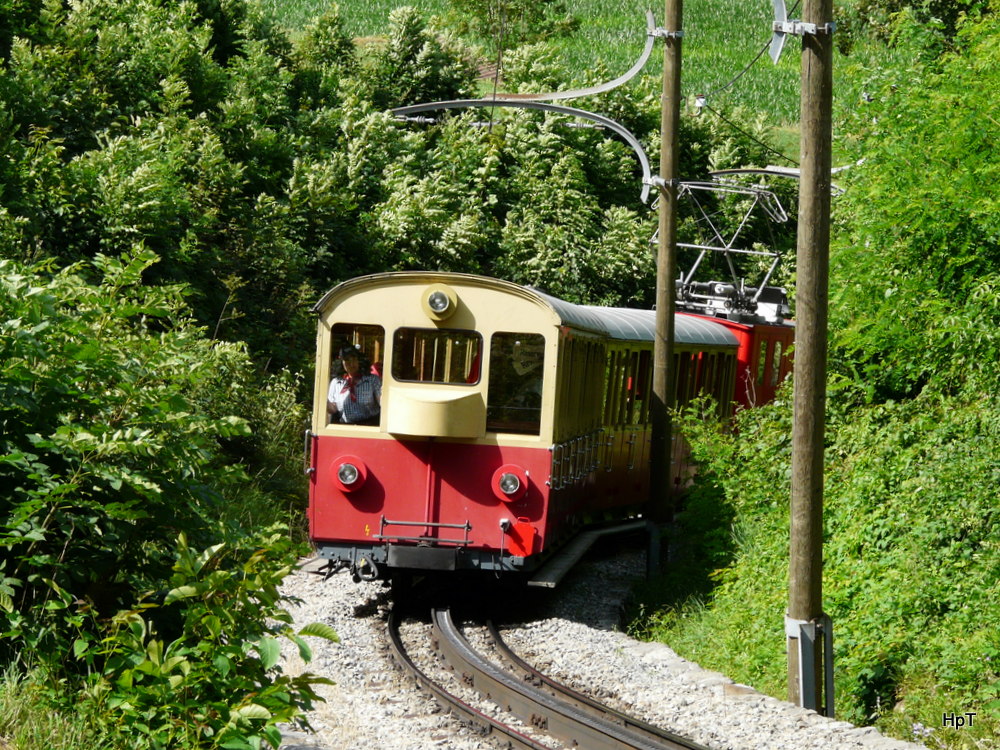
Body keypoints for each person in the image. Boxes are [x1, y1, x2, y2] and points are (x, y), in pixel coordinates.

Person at [328, 345, 381, 425]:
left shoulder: (372, 380)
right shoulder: (336, 383)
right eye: (347, 360)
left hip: (370, 428)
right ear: (341, 363)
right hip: (344, 429)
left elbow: (382, 401)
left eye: (354, 359)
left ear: (360, 360)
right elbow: (333, 409)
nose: (351, 364)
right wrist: (322, 399)